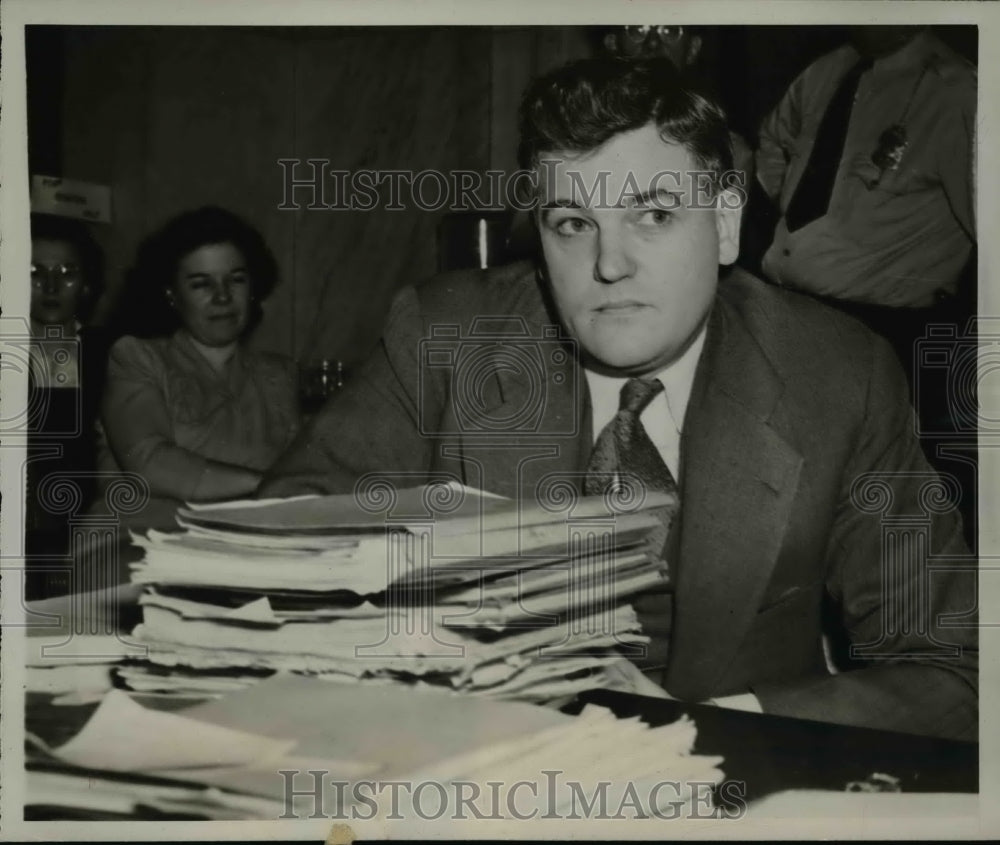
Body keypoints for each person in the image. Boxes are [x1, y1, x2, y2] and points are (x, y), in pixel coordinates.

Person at [260, 57, 976, 741]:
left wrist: (708, 725)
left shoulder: (839, 374)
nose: (608, 264)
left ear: (725, 221)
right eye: (572, 223)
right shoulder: (447, 338)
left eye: (655, 216)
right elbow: (267, 570)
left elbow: (957, 670)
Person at [97, 206, 300, 531]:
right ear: (172, 295)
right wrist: (268, 483)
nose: (222, 297)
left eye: (235, 280)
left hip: (247, 540)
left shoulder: (277, 375)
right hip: (141, 542)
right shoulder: (136, 358)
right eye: (201, 284)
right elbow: (149, 464)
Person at [757, 26, 975, 312]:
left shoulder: (957, 94)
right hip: (785, 301)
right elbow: (773, 139)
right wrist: (786, 199)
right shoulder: (827, 69)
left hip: (879, 322)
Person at [25, 213, 112, 595]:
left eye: (67, 271)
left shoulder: (112, 354)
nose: (50, 285)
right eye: (34, 271)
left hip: (92, 533)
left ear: (88, 285)